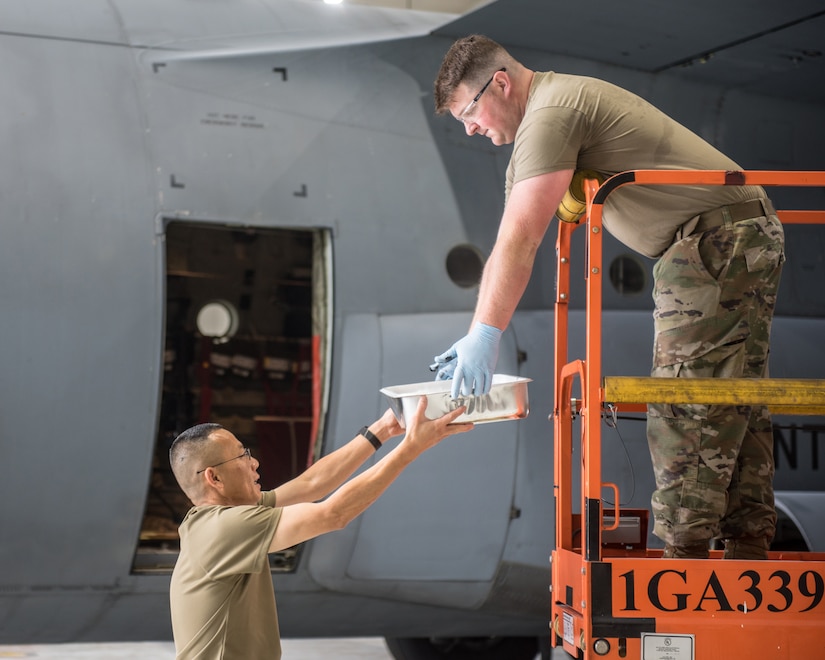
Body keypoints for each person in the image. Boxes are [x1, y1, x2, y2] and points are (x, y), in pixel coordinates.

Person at [430, 35, 785, 560]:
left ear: (500, 83)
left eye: (470, 112)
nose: (471, 128)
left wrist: (484, 334)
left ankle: (684, 564)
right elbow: (519, 224)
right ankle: (746, 550)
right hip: (731, 236)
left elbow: (521, 239)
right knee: (734, 401)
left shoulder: (551, 113)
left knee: (685, 402)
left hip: (713, 242)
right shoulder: (547, 117)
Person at [168, 399, 472, 659]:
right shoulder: (223, 529)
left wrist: (381, 430)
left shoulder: (225, 517)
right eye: (242, 456)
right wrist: (411, 448)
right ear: (214, 478)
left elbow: (311, 485)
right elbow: (334, 513)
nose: (254, 463)